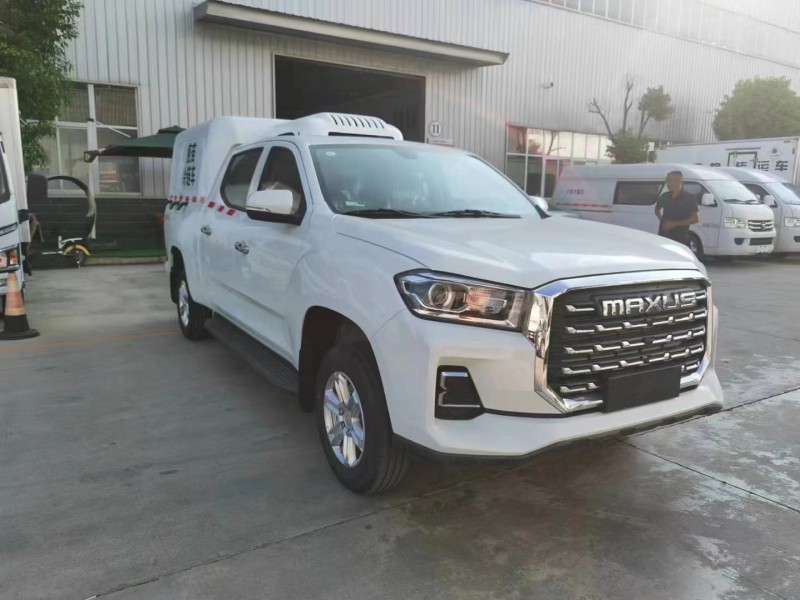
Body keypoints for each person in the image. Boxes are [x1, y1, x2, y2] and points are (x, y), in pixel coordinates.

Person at [655, 170, 699, 246]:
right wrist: (662, 220)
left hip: (680, 238)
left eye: (669, 180)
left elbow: (695, 219)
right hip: (664, 236)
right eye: (666, 180)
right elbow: (657, 210)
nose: (667, 183)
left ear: (678, 181)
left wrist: (675, 224)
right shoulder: (664, 196)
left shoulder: (689, 198)